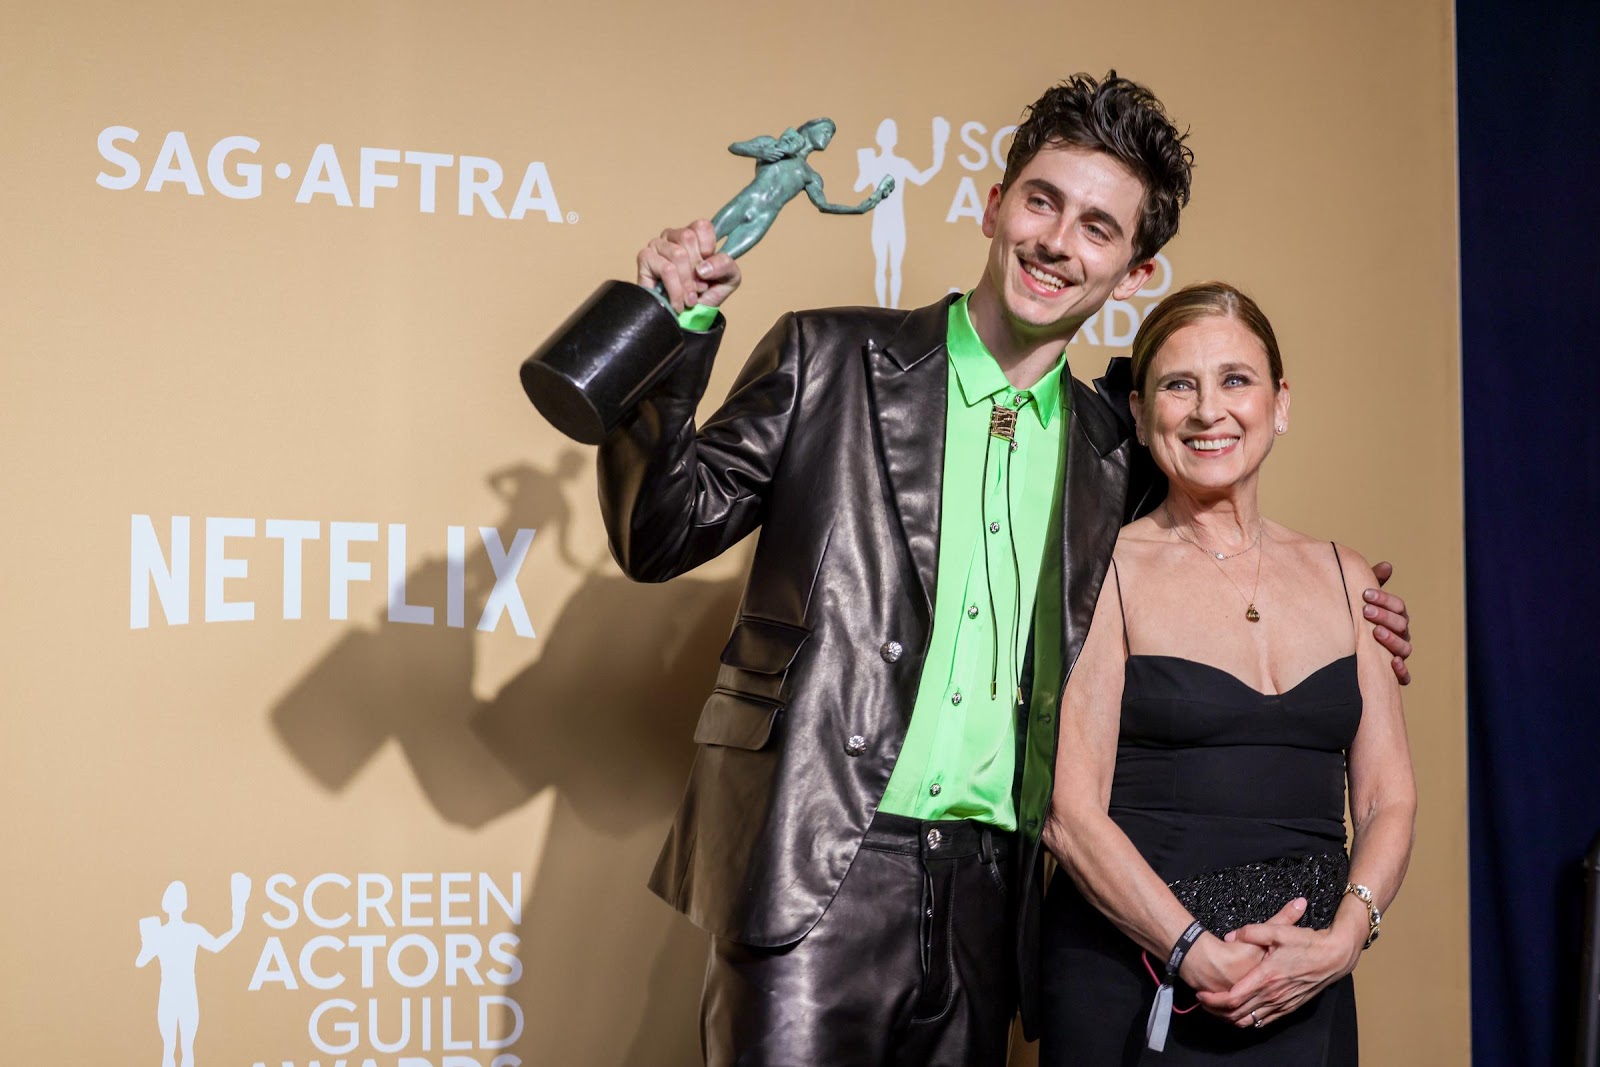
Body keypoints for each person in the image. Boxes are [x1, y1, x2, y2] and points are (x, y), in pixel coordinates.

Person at [594, 74, 1414, 1066]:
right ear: (993, 203)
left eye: (1098, 227)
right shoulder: (832, 356)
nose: (1057, 242)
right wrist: (667, 329)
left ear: (1136, 269)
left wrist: (1353, 612)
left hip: (999, 896)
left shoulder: (1119, 450)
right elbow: (658, 531)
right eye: (1041, 201)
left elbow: (1208, 556)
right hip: (817, 860)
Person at [1040, 282, 1417, 1064]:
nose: (1210, 410)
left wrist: (1345, 938)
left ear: (1280, 402)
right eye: (1180, 384)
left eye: (1236, 380)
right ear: (1141, 416)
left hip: (1304, 981)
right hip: (1134, 976)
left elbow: (1388, 798)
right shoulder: (1101, 572)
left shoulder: (1351, 578)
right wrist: (1194, 951)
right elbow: (1069, 815)